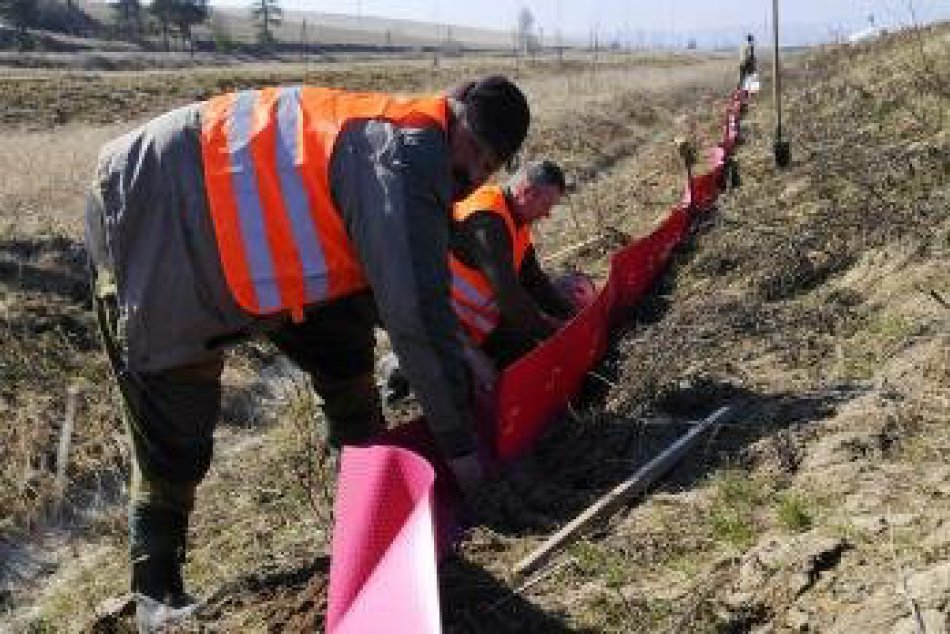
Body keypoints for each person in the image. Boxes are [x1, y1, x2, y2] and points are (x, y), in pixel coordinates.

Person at [83, 75, 529, 629]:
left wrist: (462, 352)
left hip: (262, 250)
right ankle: (157, 591)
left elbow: (413, 282)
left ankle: (368, 515)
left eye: (490, 167)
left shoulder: (423, 151)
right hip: (157, 215)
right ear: (454, 116)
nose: (475, 175)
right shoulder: (407, 153)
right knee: (176, 426)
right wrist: (464, 455)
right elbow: (413, 313)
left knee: (344, 350)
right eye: (476, 153)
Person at [382, 160, 586, 404]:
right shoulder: (487, 221)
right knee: (469, 393)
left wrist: (572, 318)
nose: (548, 214)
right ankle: (401, 363)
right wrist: (555, 334)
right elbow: (511, 299)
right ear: (528, 193)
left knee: (525, 358)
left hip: (478, 328)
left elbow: (535, 280)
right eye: (546, 204)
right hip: (440, 324)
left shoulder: (516, 221)